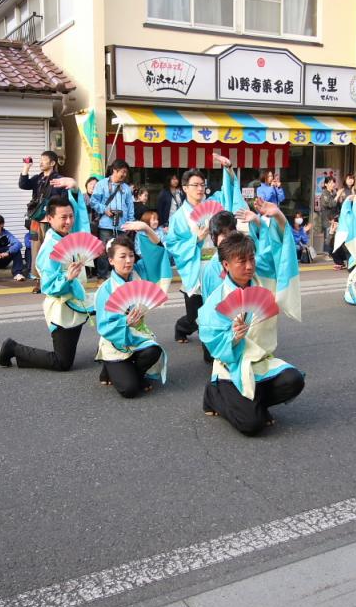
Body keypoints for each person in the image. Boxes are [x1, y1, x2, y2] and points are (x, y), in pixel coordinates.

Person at [198, 232, 304, 435]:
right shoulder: (215, 300)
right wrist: (233, 338)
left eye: (251, 259)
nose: (249, 266)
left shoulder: (263, 281)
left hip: (262, 361)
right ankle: (214, 394)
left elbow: (279, 254)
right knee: (252, 425)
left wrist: (279, 220)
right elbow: (214, 344)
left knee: (294, 380)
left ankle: (254, 402)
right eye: (242, 261)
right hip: (233, 367)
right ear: (226, 265)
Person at [0, 181, 90, 371]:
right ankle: (13, 348)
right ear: (49, 218)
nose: (69, 221)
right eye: (63, 217)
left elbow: (82, 219)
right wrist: (68, 278)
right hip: (61, 306)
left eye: (70, 216)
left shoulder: (67, 235)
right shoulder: (50, 247)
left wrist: (74, 189)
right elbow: (48, 286)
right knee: (62, 362)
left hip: (76, 301)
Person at [166, 157, 249, 345]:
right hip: (195, 267)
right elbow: (172, 244)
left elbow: (228, 194)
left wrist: (228, 169)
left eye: (202, 184)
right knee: (195, 316)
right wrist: (196, 239)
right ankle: (182, 328)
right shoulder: (179, 217)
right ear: (185, 188)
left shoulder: (214, 204)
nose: (200, 188)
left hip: (216, 264)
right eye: (195, 185)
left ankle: (214, 346)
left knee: (216, 308)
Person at [93, 236, 166, 397]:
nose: (128, 260)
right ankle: (109, 365)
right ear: (111, 261)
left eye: (131, 255)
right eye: (122, 256)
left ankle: (135, 373)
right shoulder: (105, 290)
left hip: (137, 336)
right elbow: (104, 326)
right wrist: (125, 321)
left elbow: (156, 255)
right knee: (129, 390)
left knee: (154, 351)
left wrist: (146, 229)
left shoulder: (139, 273)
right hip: (115, 342)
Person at [19, 150, 63, 293]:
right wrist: (26, 167)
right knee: (36, 251)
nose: (41, 162)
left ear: (52, 163)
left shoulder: (59, 179)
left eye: (44, 159)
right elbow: (23, 184)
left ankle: (51, 278)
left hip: (51, 222)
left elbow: (64, 200)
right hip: (36, 220)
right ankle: (38, 281)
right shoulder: (38, 178)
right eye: (40, 159)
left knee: (51, 251)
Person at [89, 159, 135, 281]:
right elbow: (93, 201)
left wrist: (131, 223)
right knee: (104, 251)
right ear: (114, 170)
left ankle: (120, 277)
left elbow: (130, 206)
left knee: (122, 251)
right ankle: (102, 277)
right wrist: (105, 209)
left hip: (122, 225)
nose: (124, 175)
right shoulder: (102, 184)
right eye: (123, 172)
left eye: (126, 173)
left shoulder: (126, 188)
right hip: (106, 224)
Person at [319, 176, 341, 255]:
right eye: (330, 183)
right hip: (327, 218)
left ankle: (332, 253)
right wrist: (337, 196)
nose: (332, 184)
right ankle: (326, 253)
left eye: (333, 182)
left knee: (333, 236)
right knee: (328, 235)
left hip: (334, 217)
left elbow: (337, 206)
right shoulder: (324, 193)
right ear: (325, 184)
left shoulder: (333, 193)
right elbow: (331, 204)